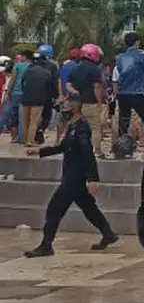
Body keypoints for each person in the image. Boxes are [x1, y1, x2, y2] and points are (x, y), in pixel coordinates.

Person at [22, 94, 118, 258]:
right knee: (88, 207)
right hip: (71, 174)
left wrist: (93, 178)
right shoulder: (72, 126)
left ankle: (46, 245)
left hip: (75, 176)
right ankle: (108, 234)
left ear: (74, 107)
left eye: (66, 106)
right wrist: (40, 151)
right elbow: (64, 147)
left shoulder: (81, 128)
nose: (63, 109)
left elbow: (88, 153)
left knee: (54, 209)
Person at [68, 44, 107, 157]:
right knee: (95, 128)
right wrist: (100, 102)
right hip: (91, 102)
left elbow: (68, 85)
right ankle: (96, 151)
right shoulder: (94, 70)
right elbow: (96, 87)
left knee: (79, 127)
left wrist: (74, 91)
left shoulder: (75, 68)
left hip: (77, 103)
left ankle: (78, 150)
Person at [20, 46, 58, 148]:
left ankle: (25, 140)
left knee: (26, 121)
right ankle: (30, 141)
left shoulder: (28, 70)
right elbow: (50, 87)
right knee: (34, 121)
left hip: (26, 99)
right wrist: (54, 96)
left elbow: (22, 83)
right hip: (38, 99)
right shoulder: (46, 73)